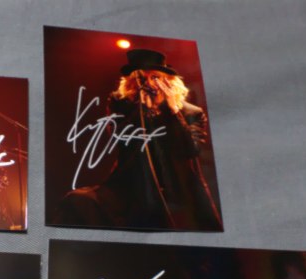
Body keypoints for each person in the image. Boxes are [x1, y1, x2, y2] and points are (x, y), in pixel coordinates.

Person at [56, 49, 223, 231]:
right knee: (79, 201)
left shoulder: (192, 112)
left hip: (176, 187)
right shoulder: (121, 103)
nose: (150, 84)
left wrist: (173, 112)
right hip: (132, 184)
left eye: (155, 77)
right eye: (142, 79)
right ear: (132, 83)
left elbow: (191, 149)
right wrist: (141, 111)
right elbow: (118, 139)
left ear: (169, 81)